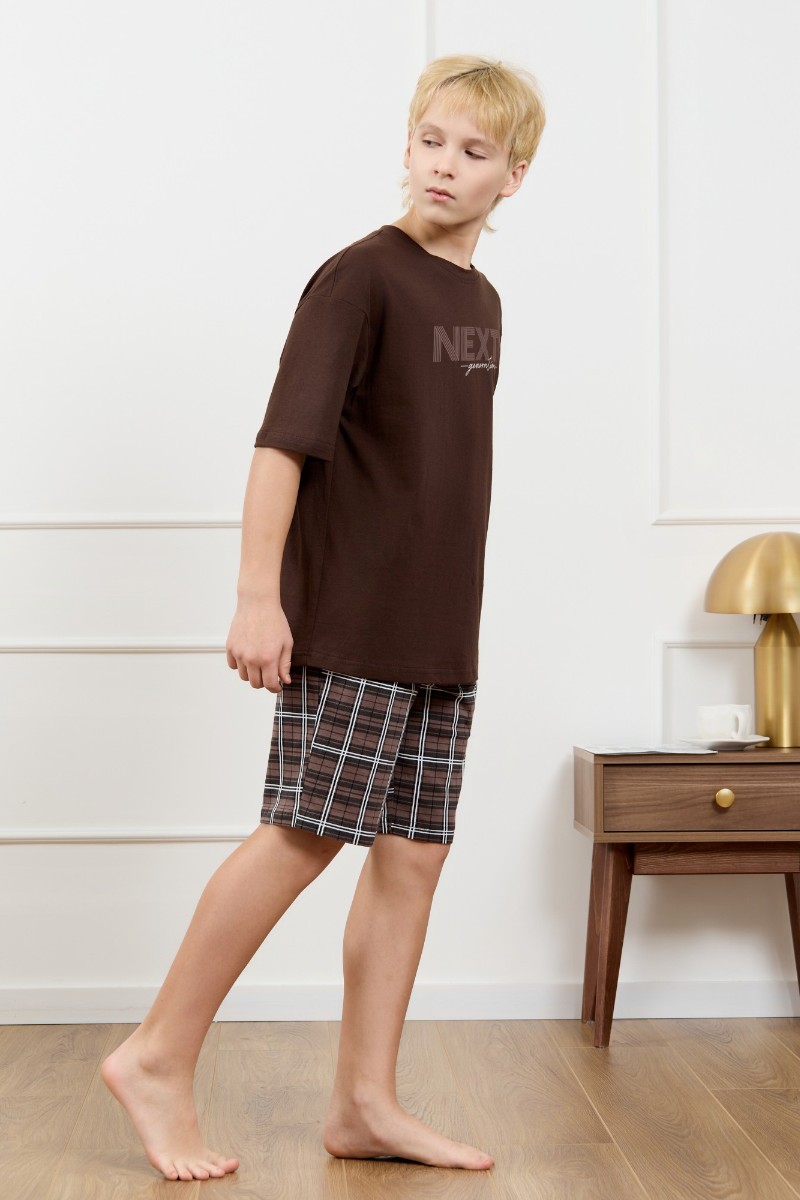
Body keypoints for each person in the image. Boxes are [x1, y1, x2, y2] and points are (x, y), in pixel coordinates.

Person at [102, 54, 546, 1182]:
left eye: (473, 151)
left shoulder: (480, 303)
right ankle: (155, 1056)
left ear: (513, 177)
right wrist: (260, 598)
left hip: (438, 629)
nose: (444, 165)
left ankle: (364, 1102)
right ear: (406, 145)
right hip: (352, 619)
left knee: (413, 856)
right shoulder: (359, 278)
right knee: (303, 830)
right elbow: (282, 445)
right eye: (430, 140)